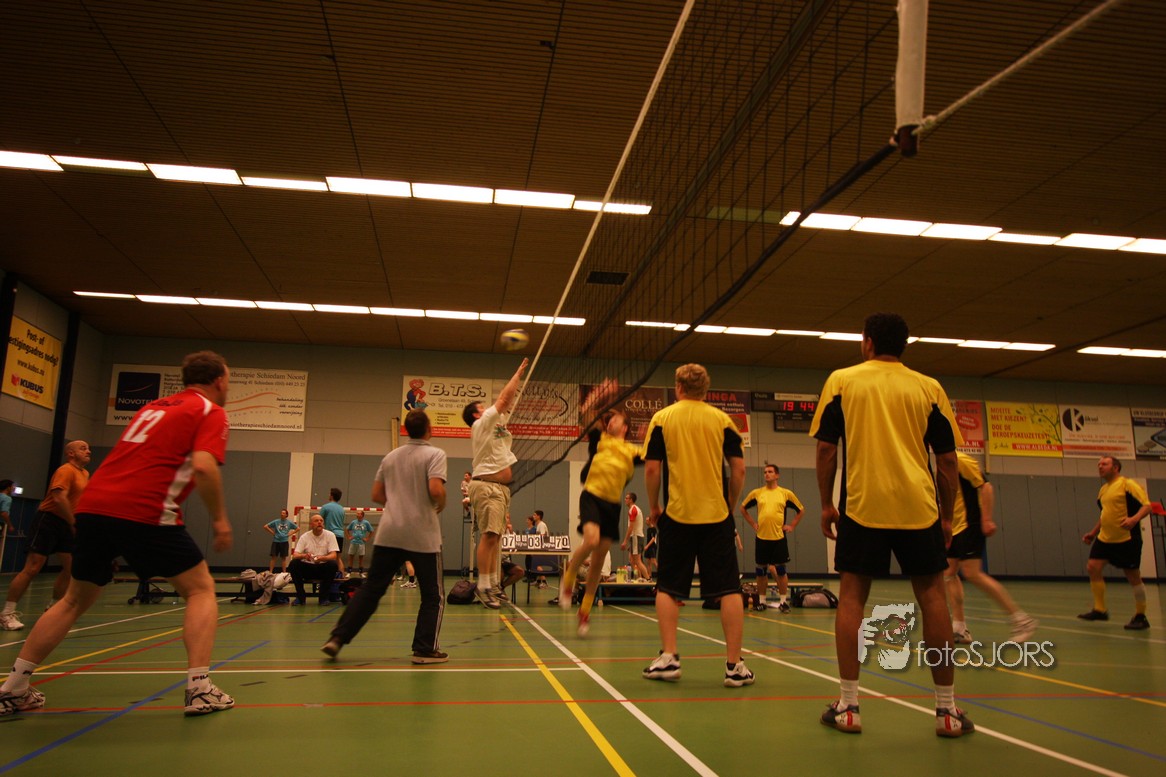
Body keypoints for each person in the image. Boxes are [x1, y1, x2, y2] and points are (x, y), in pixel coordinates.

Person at [0, 351, 235, 717]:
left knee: (73, 600)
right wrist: (220, 520)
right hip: (145, 508)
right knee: (201, 590)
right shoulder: (210, 411)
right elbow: (203, 467)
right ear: (219, 381)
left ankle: (13, 688)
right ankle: (200, 688)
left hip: (93, 508)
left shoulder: (152, 407)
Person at [811, 312, 971, 738]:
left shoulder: (842, 381)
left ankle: (848, 706)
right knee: (933, 598)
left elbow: (827, 450)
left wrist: (826, 504)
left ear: (867, 342)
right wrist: (947, 516)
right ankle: (947, 711)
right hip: (919, 507)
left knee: (851, 598)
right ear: (903, 345)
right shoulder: (928, 388)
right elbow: (948, 460)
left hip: (863, 505)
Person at [641, 364, 752, 688]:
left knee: (668, 587)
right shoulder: (722, 420)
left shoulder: (662, 419)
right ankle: (734, 666)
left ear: (678, 387)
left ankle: (669, 658)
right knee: (729, 589)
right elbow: (739, 470)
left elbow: (652, 469)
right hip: (716, 517)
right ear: (706, 389)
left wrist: (654, 507)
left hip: (677, 515)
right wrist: (729, 504)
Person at [322, 409, 448, 663]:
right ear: (429, 430)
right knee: (433, 595)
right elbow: (436, 489)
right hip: (422, 534)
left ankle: (337, 638)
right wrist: (442, 502)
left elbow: (377, 495)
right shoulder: (435, 454)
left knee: (371, 589)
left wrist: (399, 504)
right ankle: (424, 649)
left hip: (389, 532)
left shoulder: (390, 457)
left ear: (406, 430)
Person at [561, 381, 640, 636]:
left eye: (615, 419)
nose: (610, 421)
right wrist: (598, 395)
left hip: (612, 506)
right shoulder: (600, 438)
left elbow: (656, 457)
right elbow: (585, 415)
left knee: (597, 563)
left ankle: (584, 611)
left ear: (625, 427)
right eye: (609, 419)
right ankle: (569, 577)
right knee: (591, 540)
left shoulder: (632, 451)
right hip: (592, 497)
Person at [945, 452, 1037, 642]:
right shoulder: (938, 465)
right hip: (953, 528)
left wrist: (986, 519)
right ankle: (960, 628)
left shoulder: (960, 460)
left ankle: (1021, 620)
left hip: (970, 524)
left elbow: (986, 487)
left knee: (972, 573)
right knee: (948, 573)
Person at [0, 440, 91, 631]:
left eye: (88, 448)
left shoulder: (84, 474)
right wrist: (73, 521)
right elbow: (58, 497)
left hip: (68, 523)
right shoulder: (65, 470)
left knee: (71, 568)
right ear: (71, 453)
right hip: (49, 520)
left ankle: (53, 610)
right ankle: (6, 614)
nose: (88, 451)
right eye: (83, 448)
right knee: (33, 568)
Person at [463, 357, 528, 609]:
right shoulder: (481, 424)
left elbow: (505, 407)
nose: (488, 407)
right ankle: (483, 586)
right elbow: (503, 400)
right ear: (477, 414)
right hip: (487, 487)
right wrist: (517, 375)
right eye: (483, 406)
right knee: (489, 537)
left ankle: (493, 584)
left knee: (495, 539)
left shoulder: (495, 426)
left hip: (500, 489)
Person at [1078, 456, 1152, 630]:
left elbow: (1147, 506)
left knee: (1133, 576)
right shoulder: (1103, 490)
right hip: (1105, 538)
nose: (1100, 466)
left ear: (1116, 468)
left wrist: (1134, 519)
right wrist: (1093, 533)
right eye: (1099, 464)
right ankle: (1100, 609)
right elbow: (1105, 515)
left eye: (1104, 464)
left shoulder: (1128, 484)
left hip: (1126, 538)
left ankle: (1141, 616)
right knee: (1093, 567)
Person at [740, 464, 804, 613]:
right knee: (761, 571)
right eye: (765, 472)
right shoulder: (757, 493)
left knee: (781, 570)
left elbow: (801, 510)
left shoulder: (785, 493)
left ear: (777, 475)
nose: (767, 474)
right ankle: (762, 601)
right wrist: (753, 523)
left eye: (770, 472)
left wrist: (792, 526)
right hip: (762, 538)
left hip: (778, 538)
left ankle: (783, 601)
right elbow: (742, 508)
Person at [288, 514, 340, 605]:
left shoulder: (330, 535)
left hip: (323, 568)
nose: (319, 522)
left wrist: (323, 558)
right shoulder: (305, 536)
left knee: (333, 564)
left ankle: (323, 598)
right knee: (293, 563)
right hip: (308, 568)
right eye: (316, 521)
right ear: (311, 524)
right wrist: (304, 556)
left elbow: (334, 555)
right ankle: (300, 597)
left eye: (321, 521)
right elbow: (295, 555)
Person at [621, 492, 651, 582]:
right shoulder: (635, 509)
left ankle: (648, 579)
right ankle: (638, 579)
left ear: (631, 500)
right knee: (631, 560)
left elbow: (631, 527)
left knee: (637, 561)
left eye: (626, 498)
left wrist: (625, 541)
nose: (625, 500)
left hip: (635, 537)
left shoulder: (633, 510)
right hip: (635, 537)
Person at [320, 488, 347, 577]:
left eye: (329, 494)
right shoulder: (342, 509)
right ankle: (341, 579)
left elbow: (319, 520)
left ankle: (326, 578)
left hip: (330, 535)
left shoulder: (325, 507)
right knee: (338, 558)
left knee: (327, 557)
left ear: (331, 496)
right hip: (340, 535)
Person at [264, 509, 296, 573]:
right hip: (276, 541)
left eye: (283, 513)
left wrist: (290, 534)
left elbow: (297, 528)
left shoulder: (289, 522)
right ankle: (271, 572)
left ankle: (284, 572)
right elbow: (266, 526)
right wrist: (273, 533)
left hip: (284, 542)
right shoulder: (276, 521)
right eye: (281, 513)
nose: (282, 514)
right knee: (273, 557)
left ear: (286, 515)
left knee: (283, 558)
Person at [346, 509, 374, 576]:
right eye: (357, 513)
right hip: (353, 542)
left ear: (362, 515)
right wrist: (349, 537)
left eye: (359, 513)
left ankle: (361, 572)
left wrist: (367, 538)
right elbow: (347, 529)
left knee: (361, 557)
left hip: (361, 542)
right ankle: (349, 572)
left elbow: (372, 531)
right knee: (351, 556)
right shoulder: (353, 522)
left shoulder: (366, 523)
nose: (357, 515)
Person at [530, 509, 550, 588]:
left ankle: (544, 582)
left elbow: (542, 536)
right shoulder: (538, 525)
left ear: (539, 516)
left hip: (542, 548)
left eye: (535, 515)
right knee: (537, 564)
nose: (533, 516)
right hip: (539, 547)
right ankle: (539, 581)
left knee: (537, 564)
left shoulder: (541, 525)